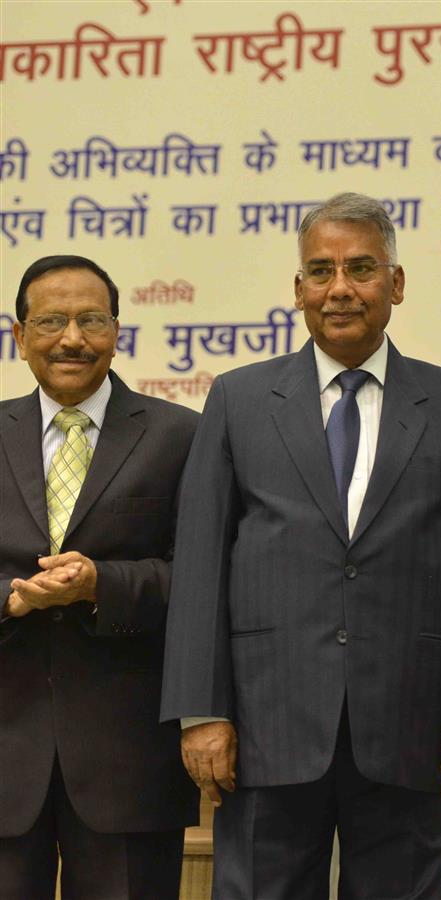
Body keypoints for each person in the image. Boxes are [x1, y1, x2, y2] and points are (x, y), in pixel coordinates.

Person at [160, 192, 441, 899]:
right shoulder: (238, 400)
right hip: (266, 729)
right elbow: (200, 566)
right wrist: (202, 711)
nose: (340, 289)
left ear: (396, 283)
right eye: (321, 271)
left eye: (361, 268)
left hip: (410, 728)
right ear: (298, 290)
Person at [0, 255, 199, 899]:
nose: (72, 338)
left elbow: (204, 581)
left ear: (118, 329)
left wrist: (101, 585)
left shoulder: (180, 436)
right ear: (19, 333)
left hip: (128, 758)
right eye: (52, 320)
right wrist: (11, 598)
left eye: (91, 320)